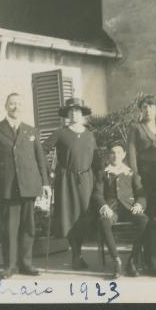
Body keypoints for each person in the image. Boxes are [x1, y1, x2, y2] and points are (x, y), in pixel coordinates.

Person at [0, 93, 51, 279]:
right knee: (9, 228)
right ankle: (10, 266)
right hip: (8, 187)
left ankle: (26, 264)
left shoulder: (31, 131)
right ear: (6, 106)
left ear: (22, 107)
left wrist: (45, 183)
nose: (15, 107)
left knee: (28, 227)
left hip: (29, 186)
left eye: (18, 104)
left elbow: (41, 159)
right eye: (12, 104)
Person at [43, 97, 101, 270]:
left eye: (77, 111)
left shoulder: (90, 135)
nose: (74, 114)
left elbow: (96, 160)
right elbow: (42, 150)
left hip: (86, 180)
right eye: (71, 111)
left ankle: (80, 254)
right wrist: (49, 172)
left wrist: (101, 177)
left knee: (84, 216)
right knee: (70, 217)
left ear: (82, 114)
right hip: (66, 181)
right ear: (67, 114)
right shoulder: (60, 133)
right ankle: (76, 255)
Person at [91, 140, 149, 278]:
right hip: (112, 209)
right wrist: (104, 206)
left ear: (124, 155)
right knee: (104, 221)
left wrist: (139, 204)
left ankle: (133, 261)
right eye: (112, 153)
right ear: (108, 155)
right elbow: (97, 193)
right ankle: (116, 260)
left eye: (118, 153)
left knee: (144, 220)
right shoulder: (103, 173)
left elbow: (141, 193)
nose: (115, 156)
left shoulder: (130, 172)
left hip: (129, 208)